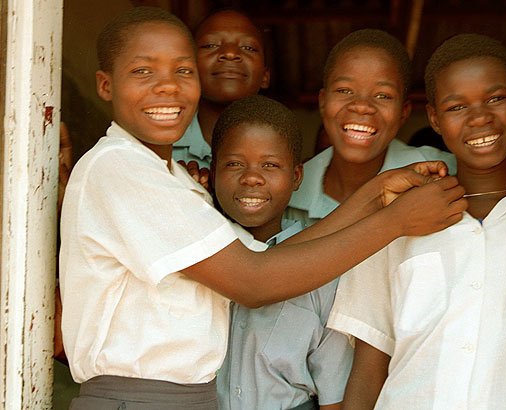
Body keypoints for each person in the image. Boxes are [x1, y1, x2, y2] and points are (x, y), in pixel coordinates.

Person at [59, 8, 466, 409]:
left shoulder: (171, 179)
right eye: (143, 71)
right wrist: (394, 222)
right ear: (105, 85)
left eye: (182, 71)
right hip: (139, 398)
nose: (167, 87)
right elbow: (254, 283)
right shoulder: (119, 167)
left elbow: (269, 259)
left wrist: (376, 195)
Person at [327, 33, 506, 410]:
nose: (480, 117)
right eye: (456, 107)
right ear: (433, 118)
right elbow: (369, 368)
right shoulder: (396, 223)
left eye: (496, 99)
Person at [211, 94, 352, 410]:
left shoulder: (323, 272)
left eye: (270, 165)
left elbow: (334, 389)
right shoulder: (197, 258)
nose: (251, 177)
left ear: (296, 176)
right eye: (234, 163)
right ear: (212, 169)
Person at [285, 29, 457, 228]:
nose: (362, 106)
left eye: (382, 95)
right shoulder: (286, 192)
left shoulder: (447, 173)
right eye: (345, 90)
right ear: (323, 103)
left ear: (403, 112)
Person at [172, 8, 269, 176]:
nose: (230, 54)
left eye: (248, 47)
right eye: (211, 45)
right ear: (187, 69)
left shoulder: (281, 151)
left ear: (265, 76)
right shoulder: (161, 148)